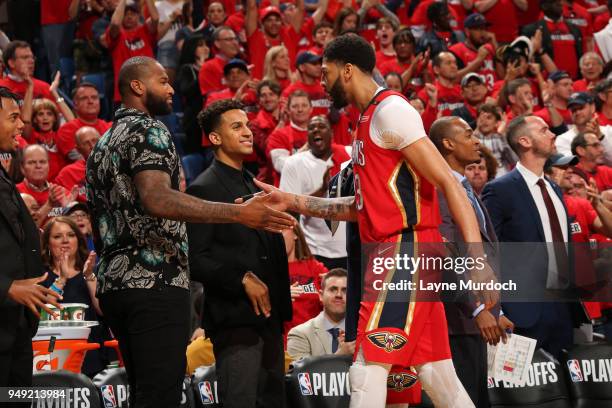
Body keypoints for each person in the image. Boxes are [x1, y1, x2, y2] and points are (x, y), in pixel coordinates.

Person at [255, 34, 494, 408]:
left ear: (347, 70)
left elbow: (449, 182)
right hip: (396, 249)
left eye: (326, 72)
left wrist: (477, 263)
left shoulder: (390, 110)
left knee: (367, 368)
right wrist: (293, 201)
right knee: (436, 372)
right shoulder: (363, 120)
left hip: (405, 250)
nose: (321, 82)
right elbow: (362, 206)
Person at [85, 56, 295, 408]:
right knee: (161, 395)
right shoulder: (149, 130)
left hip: (115, 284)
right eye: (163, 82)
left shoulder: (103, 143)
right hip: (153, 283)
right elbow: (156, 198)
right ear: (138, 86)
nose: (171, 90)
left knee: (144, 392)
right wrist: (239, 213)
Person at [186, 99, 292, 408]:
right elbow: (195, 259)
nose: (247, 132)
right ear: (215, 138)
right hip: (235, 321)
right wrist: (241, 278)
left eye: (247, 125)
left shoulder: (252, 181)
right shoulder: (203, 189)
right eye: (237, 127)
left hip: (270, 321)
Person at [482, 115, 587, 359]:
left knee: (566, 388)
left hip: (564, 306)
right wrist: (496, 309)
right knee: (525, 391)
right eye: (544, 130)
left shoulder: (554, 188)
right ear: (525, 141)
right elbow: (488, 254)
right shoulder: (500, 189)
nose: (552, 135)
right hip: (523, 312)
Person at [429, 117, 514, 408]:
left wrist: (495, 308)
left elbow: (485, 254)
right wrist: (476, 308)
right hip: (457, 319)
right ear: (448, 144)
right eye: (468, 134)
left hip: (478, 320)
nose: (476, 140)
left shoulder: (466, 187)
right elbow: (447, 255)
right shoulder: (440, 189)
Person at [0, 86, 61, 395]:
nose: (21, 125)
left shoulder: (3, 173)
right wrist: (8, 287)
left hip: (16, 326)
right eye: (13, 117)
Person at [40, 217, 111, 376]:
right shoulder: (40, 274)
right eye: (57, 236)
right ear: (48, 243)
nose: (65, 240)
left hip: (90, 355)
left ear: (78, 240)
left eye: (71, 235)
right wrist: (62, 279)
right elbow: (42, 313)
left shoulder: (93, 271)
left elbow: (102, 311)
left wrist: (89, 276)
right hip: (49, 356)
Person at [280, 115, 351, 270]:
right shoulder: (294, 163)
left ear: (331, 133)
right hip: (314, 249)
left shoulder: (350, 156)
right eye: (311, 128)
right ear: (307, 136)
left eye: (321, 126)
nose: (316, 130)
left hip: (351, 247)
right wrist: (323, 189)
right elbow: (289, 209)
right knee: (313, 294)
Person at [287, 268, 355, 359]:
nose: (339, 295)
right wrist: (340, 355)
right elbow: (301, 372)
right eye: (333, 289)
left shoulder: (363, 333)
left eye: (345, 290)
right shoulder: (300, 334)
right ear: (321, 296)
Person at [104, 0, 159, 104]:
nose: (129, 17)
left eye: (132, 13)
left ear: (139, 16)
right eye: (125, 13)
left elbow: (155, 18)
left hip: (147, 91)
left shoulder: (145, 31)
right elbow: (115, 23)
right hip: (125, 94)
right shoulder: (117, 36)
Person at [282, 224, 327, 334]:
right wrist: (280, 296)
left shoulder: (315, 268)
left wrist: (331, 289)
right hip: (283, 344)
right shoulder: (267, 270)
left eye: (281, 229)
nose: (277, 235)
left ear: (295, 234)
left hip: (315, 341)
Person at [266, 90, 312, 186]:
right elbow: (281, 166)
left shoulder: (322, 133)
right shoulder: (277, 136)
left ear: (311, 109)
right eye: (295, 106)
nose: (300, 109)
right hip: (288, 193)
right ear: (288, 110)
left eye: (304, 105)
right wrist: (308, 147)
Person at [56, 83, 111, 163]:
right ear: (75, 104)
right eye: (84, 98)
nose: (90, 101)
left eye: (94, 97)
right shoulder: (66, 130)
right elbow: (80, 159)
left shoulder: (111, 127)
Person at [556, 91, 612, 166]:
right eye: (573, 110)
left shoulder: (608, 131)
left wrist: (600, 137)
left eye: (581, 108)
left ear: (592, 107)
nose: (577, 112)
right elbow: (572, 167)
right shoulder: (563, 139)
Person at [55, 126, 101, 202]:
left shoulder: (117, 164)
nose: (92, 146)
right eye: (86, 143)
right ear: (78, 149)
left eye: (95, 141)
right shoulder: (67, 174)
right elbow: (57, 208)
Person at [474, 103, 518, 177]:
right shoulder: (473, 138)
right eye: (481, 118)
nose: (484, 121)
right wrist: (476, 129)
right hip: (478, 175)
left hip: (500, 176)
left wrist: (502, 135)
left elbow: (513, 160)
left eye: (489, 118)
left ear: (496, 122)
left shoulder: (501, 138)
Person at [198, 26, 240, 97]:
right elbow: (211, 98)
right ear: (217, 44)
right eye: (229, 39)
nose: (235, 43)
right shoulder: (209, 67)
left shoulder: (241, 64)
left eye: (235, 39)